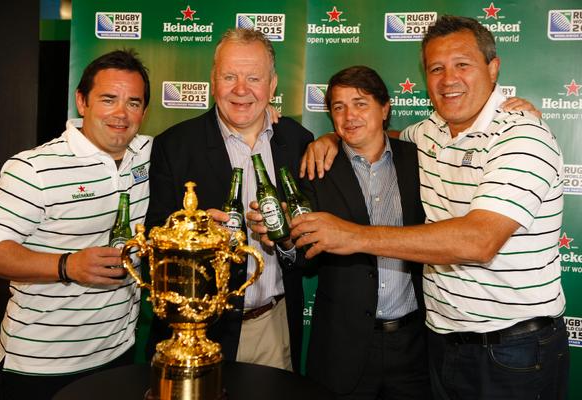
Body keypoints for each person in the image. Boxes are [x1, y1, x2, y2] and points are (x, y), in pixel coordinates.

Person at [294, 15, 568, 400]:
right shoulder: (430, 132)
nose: (448, 78)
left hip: (513, 351)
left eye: (462, 65)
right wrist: (332, 138)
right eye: (436, 68)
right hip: (441, 346)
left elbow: (479, 240)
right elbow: (376, 136)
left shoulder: (522, 136)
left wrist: (351, 235)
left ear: (493, 68)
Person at [0, 49, 152, 399]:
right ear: (82, 101)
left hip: (119, 354)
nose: (121, 114)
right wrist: (66, 265)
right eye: (109, 99)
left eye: (133, 103)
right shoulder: (33, 169)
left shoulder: (151, 155)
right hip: (39, 364)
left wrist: (268, 118)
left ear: (144, 112)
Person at [145, 28, 313, 372]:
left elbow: (310, 253)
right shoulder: (174, 145)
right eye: (229, 76)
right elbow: (151, 240)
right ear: (212, 80)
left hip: (272, 327)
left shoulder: (298, 141)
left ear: (273, 84)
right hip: (195, 330)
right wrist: (193, 234)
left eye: (254, 77)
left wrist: (286, 239)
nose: (241, 89)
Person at [304, 65, 431, 399]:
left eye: (360, 103)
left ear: (385, 108)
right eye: (339, 107)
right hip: (341, 348)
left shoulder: (419, 160)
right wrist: (288, 239)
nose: (349, 116)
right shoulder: (318, 167)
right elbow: (302, 257)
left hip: (413, 344)